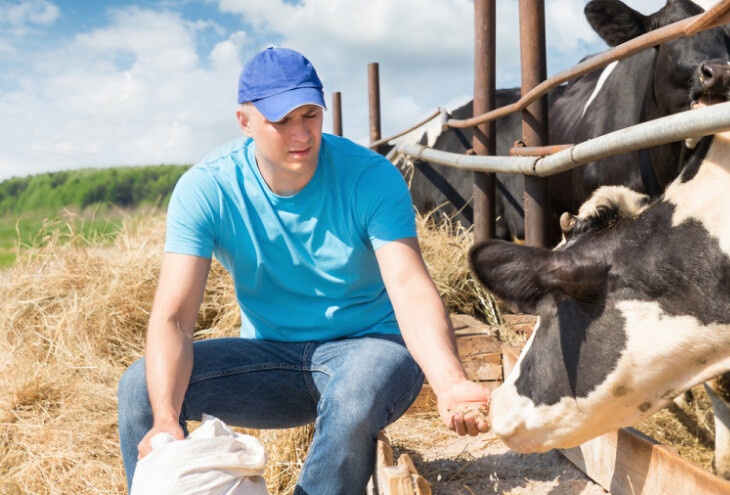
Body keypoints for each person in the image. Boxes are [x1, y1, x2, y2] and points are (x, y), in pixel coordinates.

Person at [117, 47, 491, 494]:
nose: (301, 134)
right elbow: (174, 318)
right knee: (141, 387)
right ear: (245, 121)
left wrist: (449, 383)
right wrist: (164, 420)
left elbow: (410, 288)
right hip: (273, 358)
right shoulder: (207, 189)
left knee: (354, 396)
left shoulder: (370, 177)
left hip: (372, 348)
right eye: (282, 121)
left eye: (310, 115)